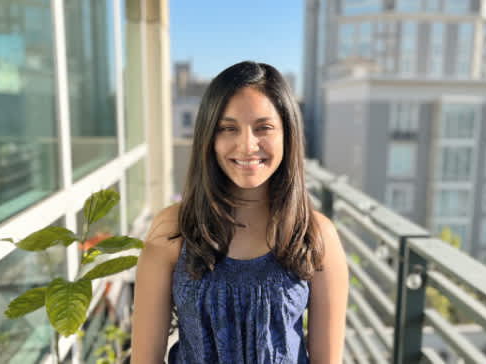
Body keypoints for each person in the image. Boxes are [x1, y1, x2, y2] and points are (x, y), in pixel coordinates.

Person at [131, 61, 349, 364]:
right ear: (209, 137)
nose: (247, 145)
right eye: (228, 128)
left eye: (264, 128)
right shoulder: (173, 229)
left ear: (288, 135)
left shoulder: (315, 235)